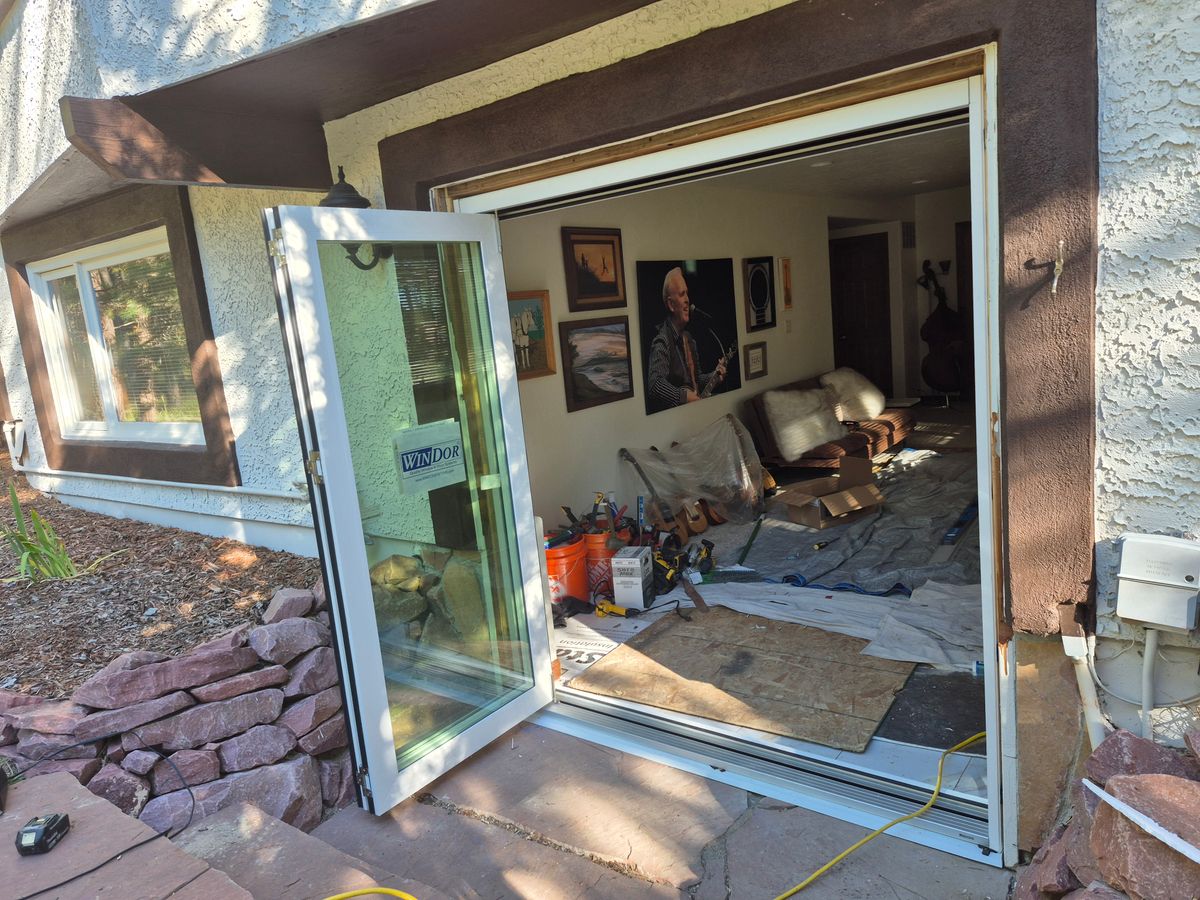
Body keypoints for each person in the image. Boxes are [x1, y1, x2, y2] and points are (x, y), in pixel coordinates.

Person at [646, 267, 727, 411]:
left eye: (687, 294)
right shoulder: (662, 340)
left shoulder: (689, 339)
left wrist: (714, 376)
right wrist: (682, 397)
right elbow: (655, 384)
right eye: (682, 295)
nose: (687, 300)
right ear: (671, 305)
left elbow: (695, 382)